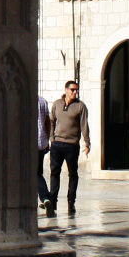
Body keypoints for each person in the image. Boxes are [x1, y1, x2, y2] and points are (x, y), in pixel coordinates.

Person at [46, 80, 90, 218]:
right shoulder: (57, 104)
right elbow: (51, 121)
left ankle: (71, 202)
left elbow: (84, 125)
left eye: (76, 90)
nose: (75, 92)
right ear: (66, 90)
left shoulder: (80, 106)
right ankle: (53, 202)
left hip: (72, 145)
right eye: (72, 90)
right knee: (54, 173)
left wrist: (87, 143)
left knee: (73, 174)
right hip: (57, 144)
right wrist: (52, 139)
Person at [36, 95, 52, 209]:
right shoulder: (42, 101)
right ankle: (45, 198)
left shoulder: (20, 99)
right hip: (40, 143)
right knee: (38, 173)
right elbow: (47, 122)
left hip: (24, 144)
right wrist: (47, 139)